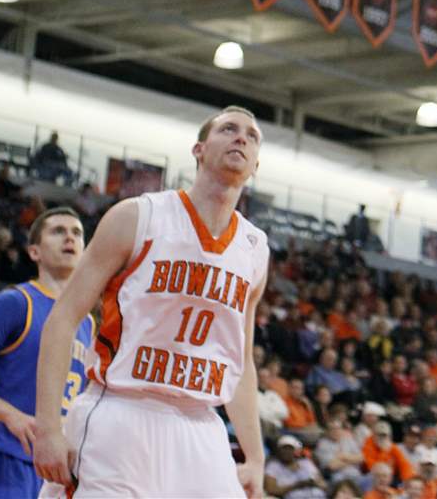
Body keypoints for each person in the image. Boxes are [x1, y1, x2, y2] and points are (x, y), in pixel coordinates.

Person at [33, 106, 270, 498]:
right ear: (199, 149)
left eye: (252, 135)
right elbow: (63, 318)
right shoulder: (138, 217)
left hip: (201, 425)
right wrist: (48, 428)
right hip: (123, 409)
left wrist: (255, 457)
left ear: (255, 165)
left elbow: (241, 362)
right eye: (228, 129)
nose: (241, 137)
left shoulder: (255, 249)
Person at [0, 207, 93, 498]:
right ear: (34, 252)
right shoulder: (17, 302)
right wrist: (9, 414)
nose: (69, 238)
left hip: (50, 471)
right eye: (58, 231)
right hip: (0, 457)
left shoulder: (87, 322)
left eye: (76, 232)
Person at [266, 433, 329, 498]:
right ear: (278, 450)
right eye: (284, 448)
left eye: (290, 448)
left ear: (295, 451)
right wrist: (296, 485)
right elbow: (271, 490)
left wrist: (313, 483)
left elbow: (323, 484)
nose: (287, 451)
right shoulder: (273, 466)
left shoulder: (306, 463)